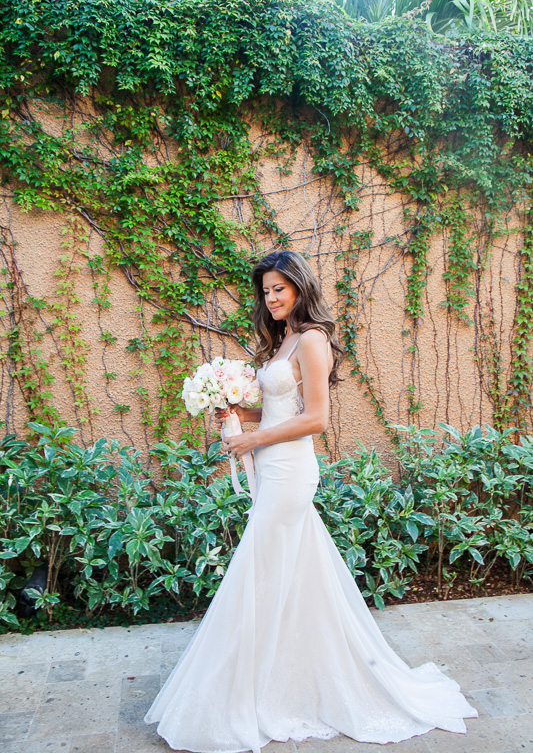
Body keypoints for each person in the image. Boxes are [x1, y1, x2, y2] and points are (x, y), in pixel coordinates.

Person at [144, 250, 477, 752]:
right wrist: (240, 416)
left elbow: (317, 419)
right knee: (289, 574)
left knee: (259, 570)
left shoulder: (314, 339)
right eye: (265, 291)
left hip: (292, 471)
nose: (270, 298)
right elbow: (282, 410)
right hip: (275, 465)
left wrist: (253, 440)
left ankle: (251, 689)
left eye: (279, 288)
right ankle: (286, 680)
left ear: (299, 287)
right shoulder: (285, 342)